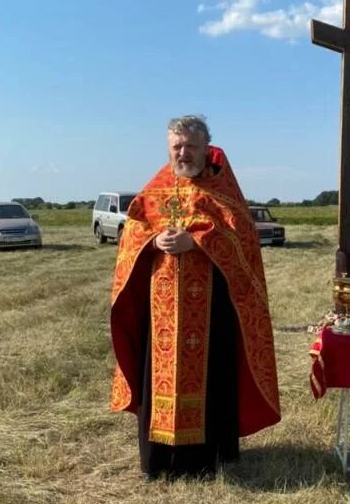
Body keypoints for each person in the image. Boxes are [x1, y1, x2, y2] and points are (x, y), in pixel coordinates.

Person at [109, 115, 281, 479]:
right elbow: (134, 230)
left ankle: (205, 460)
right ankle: (159, 460)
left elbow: (243, 239)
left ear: (206, 148)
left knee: (212, 376)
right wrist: (154, 241)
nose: (183, 153)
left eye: (190, 146)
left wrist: (199, 241)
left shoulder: (221, 189)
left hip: (211, 306)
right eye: (177, 146)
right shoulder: (155, 188)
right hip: (162, 309)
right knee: (159, 377)